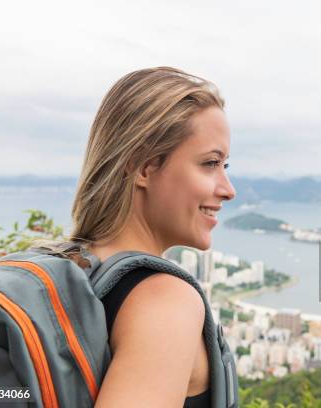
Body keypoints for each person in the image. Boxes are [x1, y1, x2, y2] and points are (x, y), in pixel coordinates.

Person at [69, 67, 236, 407]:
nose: (228, 190)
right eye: (209, 163)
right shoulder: (165, 302)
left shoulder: (69, 268)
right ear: (144, 168)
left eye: (225, 166)